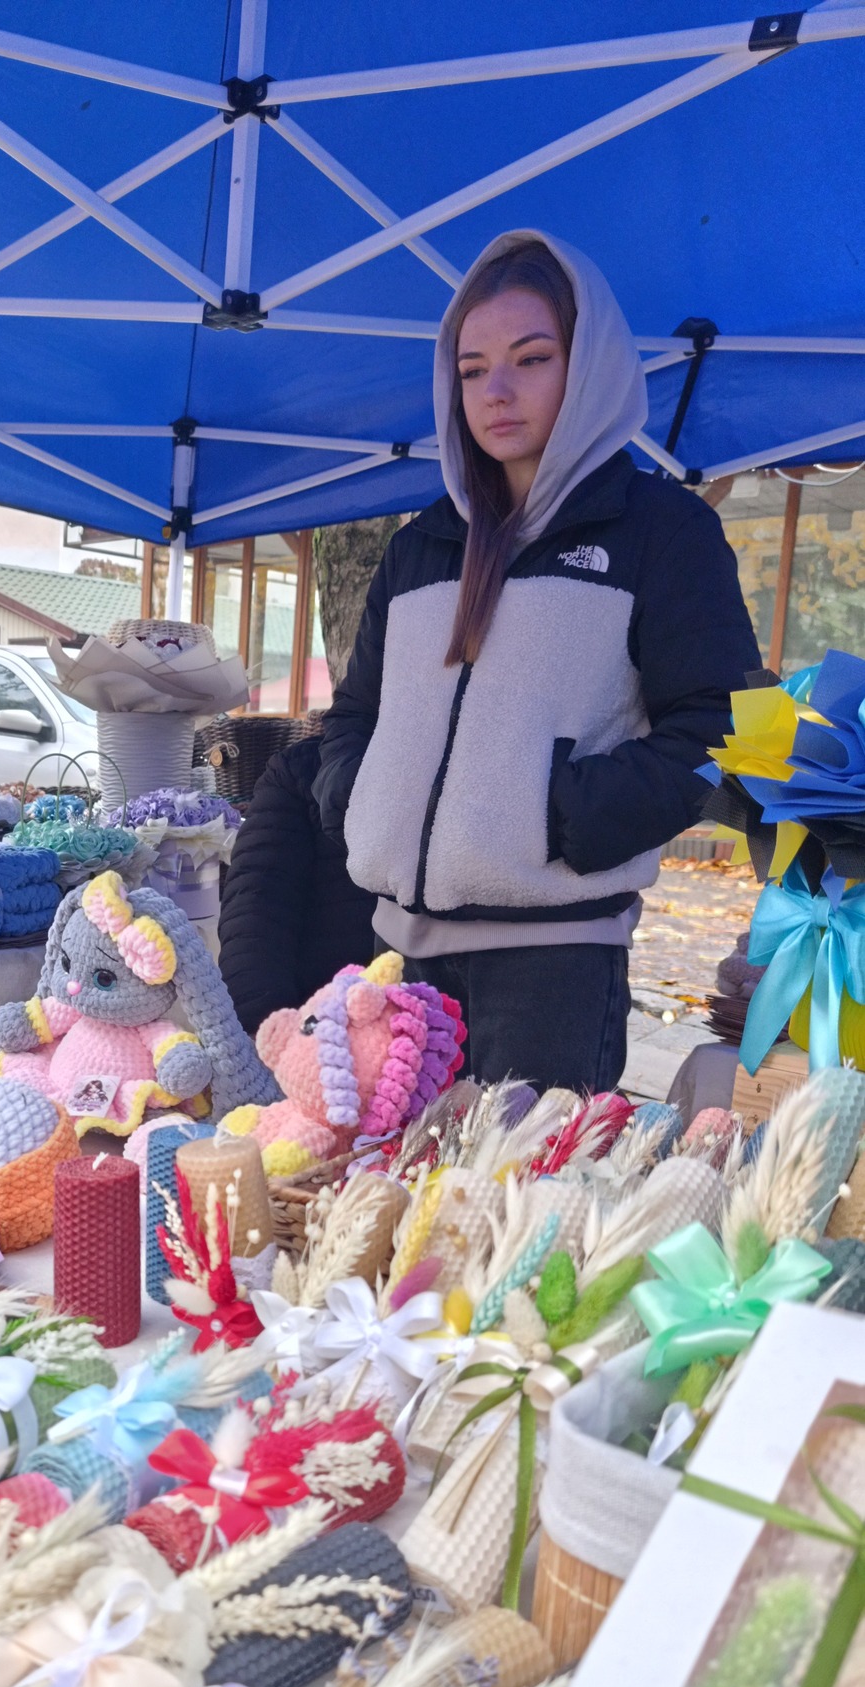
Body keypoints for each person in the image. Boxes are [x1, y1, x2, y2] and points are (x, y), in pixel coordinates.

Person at [313, 231, 759, 1092]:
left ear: (587, 367)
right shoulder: (420, 546)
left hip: (552, 968)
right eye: (473, 369)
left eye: (531, 358)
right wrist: (357, 804)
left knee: (525, 1183)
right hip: (397, 959)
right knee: (387, 1180)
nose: (497, 391)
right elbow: (358, 712)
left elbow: (718, 724)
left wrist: (560, 819)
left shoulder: (661, 532)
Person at [219, 734, 379, 1036]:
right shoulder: (302, 770)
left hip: (431, 1021)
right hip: (322, 1025)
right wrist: (274, 1033)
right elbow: (256, 910)